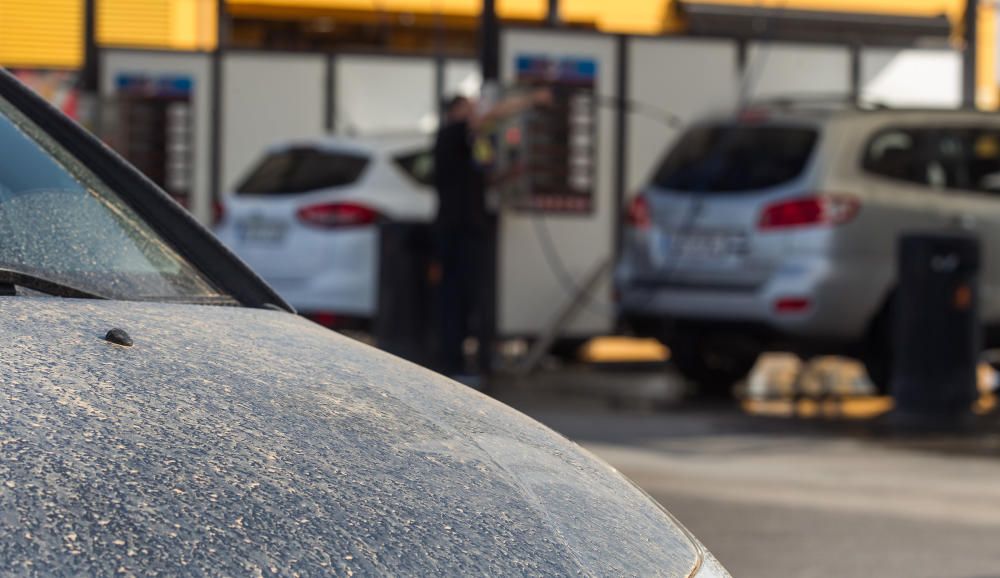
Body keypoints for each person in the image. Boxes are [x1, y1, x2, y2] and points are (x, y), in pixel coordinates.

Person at [432, 89, 551, 382]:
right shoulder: (451, 133)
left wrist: (511, 175)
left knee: (474, 298)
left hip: (472, 229)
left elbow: (481, 175)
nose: (475, 114)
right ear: (456, 112)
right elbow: (491, 116)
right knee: (455, 298)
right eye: (469, 109)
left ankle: (476, 362)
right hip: (457, 232)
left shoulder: (472, 143)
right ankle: (454, 364)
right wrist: (531, 100)